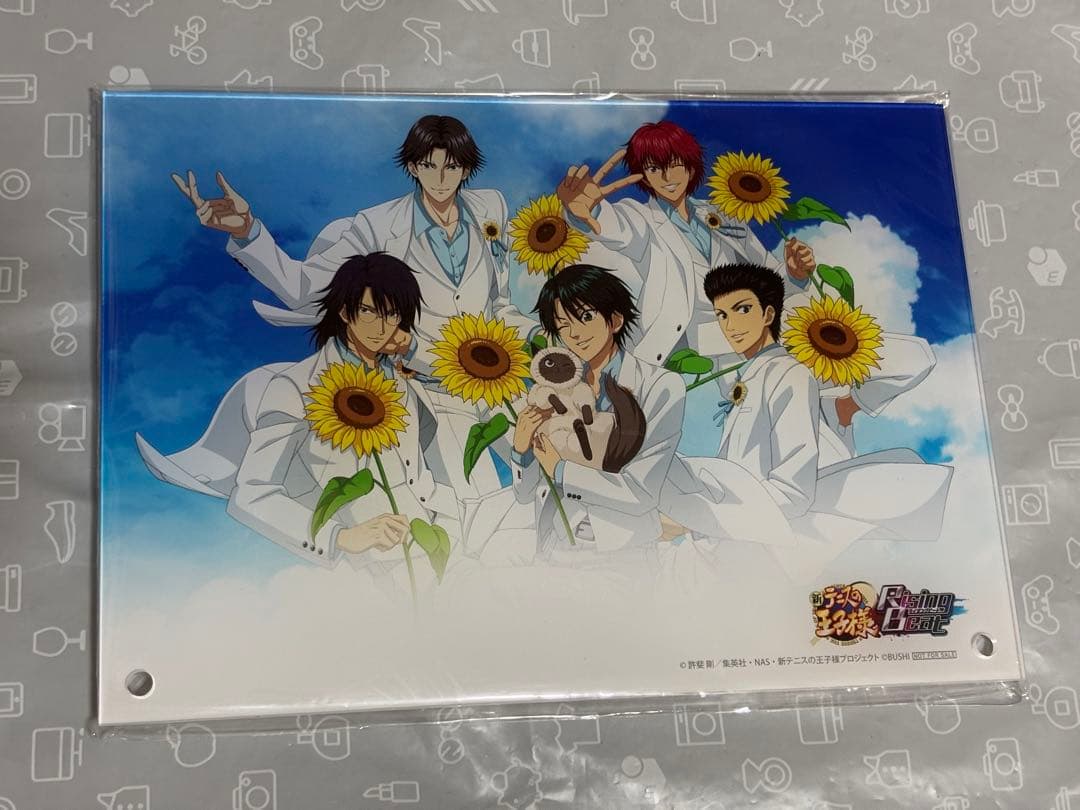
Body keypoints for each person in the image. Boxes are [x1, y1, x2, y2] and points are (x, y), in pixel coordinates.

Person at [170, 114, 536, 497]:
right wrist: (249, 233)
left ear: (467, 168)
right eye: (430, 166)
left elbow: (500, 305)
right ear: (413, 167)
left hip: (501, 384)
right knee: (475, 500)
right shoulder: (377, 226)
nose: (441, 179)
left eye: (453, 167)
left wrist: (540, 337)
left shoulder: (490, 208)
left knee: (549, 478)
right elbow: (305, 290)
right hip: (432, 394)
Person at [555, 121, 935, 451]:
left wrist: (794, 273)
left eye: (674, 164)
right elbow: (614, 229)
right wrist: (586, 212)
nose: (667, 176)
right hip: (713, 343)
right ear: (643, 175)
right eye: (654, 168)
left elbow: (765, 275)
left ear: (691, 165)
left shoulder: (720, 214)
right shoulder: (640, 219)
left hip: (767, 326)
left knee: (910, 357)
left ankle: (844, 408)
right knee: (789, 429)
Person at [138, 253, 461, 594]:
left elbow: (465, 383)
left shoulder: (402, 382)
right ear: (344, 311)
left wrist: (411, 348)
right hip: (366, 574)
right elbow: (252, 492)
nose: (381, 329)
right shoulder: (296, 386)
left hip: (439, 553)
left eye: (392, 314)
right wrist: (339, 537)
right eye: (369, 311)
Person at [700, 263, 953, 575]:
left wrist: (844, 379)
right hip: (751, 543)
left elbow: (917, 358)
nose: (731, 325)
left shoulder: (794, 371)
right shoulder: (749, 378)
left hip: (779, 542)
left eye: (743, 309)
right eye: (722, 315)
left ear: (768, 314)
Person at [509, 265, 685, 563]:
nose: (575, 334)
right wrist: (521, 449)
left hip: (622, 554)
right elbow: (525, 494)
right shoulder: (555, 385)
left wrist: (561, 470)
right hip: (554, 547)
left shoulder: (660, 387)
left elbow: (641, 491)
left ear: (615, 320)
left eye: (586, 317)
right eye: (563, 325)